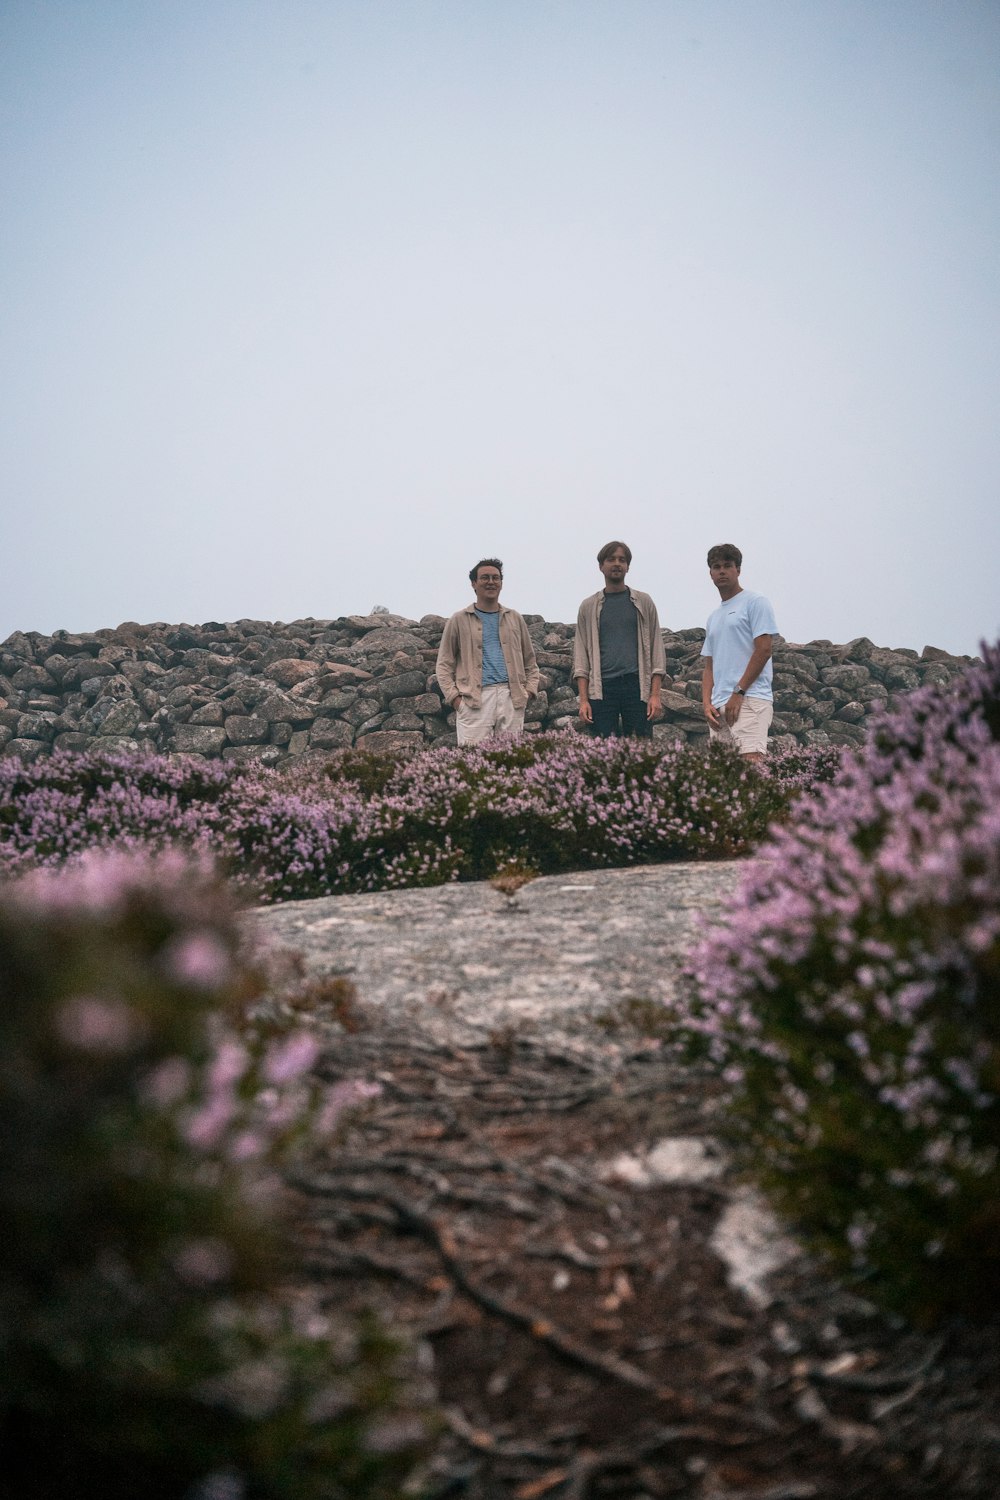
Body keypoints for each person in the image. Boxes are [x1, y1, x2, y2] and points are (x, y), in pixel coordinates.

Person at [435, 558, 540, 745]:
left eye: (496, 578)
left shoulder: (515, 618)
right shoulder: (458, 619)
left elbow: (530, 661)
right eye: (484, 578)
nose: (491, 582)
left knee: (511, 761)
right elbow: (444, 664)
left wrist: (529, 691)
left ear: (501, 583)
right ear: (474, 584)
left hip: (512, 697)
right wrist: (456, 700)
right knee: (472, 761)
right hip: (475, 700)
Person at [573, 541, 666, 737]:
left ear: (628, 567)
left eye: (622, 560)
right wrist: (583, 700)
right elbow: (581, 657)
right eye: (611, 559)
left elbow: (657, 649)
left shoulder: (643, 602)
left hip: (636, 685)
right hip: (602, 688)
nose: (617, 564)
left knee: (640, 747)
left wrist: (655, 695)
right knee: (602, 750)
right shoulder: (589, 607)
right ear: (601, 566)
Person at [700, 543, 777, 762]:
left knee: (751, 768)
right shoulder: (713, 617)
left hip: (750, 699)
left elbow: (764, 649)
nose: (722, 571)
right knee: (722, 778)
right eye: (716, 567)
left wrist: (739, 692)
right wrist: (707, 704)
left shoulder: (755, 602)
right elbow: (709, 666)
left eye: (727, 565)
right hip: (718, 707)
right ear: (711, 573)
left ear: (738, 570)